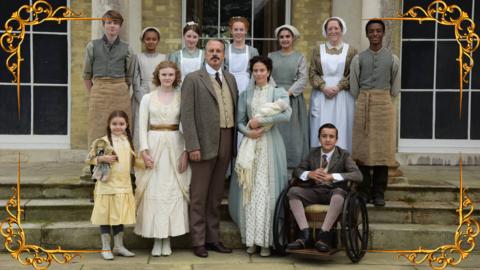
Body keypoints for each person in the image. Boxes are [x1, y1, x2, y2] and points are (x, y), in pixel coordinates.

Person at [180, 39, 238, 258]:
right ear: (205, 54)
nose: (215, 54)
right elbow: (187, 115)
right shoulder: (193, 79)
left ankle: (213, 239)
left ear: (224, 54)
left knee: (215, 195)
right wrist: (192, 145)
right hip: (202, 143)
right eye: (211, 51)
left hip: (226, 138)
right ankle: (198, 241)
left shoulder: (230, 79)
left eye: (219, 51)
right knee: (199, 195)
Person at [230, 55, 292, 257]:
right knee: (251, 189)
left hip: (270, 145)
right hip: (251, 144)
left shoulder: (278, 92)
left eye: (262, 70)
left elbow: (286, 115)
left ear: (269, 72)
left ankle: (267, 240)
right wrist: (249, 131)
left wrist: (262, 120)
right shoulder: (246, 94)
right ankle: (252, 239)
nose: (258, 74)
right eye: (255, 70)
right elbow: (239, 121)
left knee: (267, 190)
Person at [134, 61, 191, 256]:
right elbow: (142, 126)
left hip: (175, 145)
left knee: (171, 191)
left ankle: (167, 239)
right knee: (154, 191)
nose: (167, 78)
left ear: (176, 77)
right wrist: (144, 151)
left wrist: (185, 152)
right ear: (158, 76)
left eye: (171, 75)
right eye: (164, 74)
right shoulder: (147, 99)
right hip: (154, 145)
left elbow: (185, 127)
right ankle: (156, 239)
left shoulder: (181, 97)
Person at [286, 123, 362, 252]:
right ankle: (305, 234)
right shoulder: (313, 153)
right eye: (324, 136)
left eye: (331, 136)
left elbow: (358, 175)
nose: (327, 139)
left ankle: (324, 234)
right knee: (293, 191)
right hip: (314, 191)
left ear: (336, 139)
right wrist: (310, 174)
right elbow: (297, 171)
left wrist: (333, 176)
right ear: (319, 138)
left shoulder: (343, 155)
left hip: (333, 192)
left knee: (338, 194)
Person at [350, 19, 400, 207]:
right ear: (367, 34)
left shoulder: (393, 59)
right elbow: (354, 87)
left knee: (383, 151)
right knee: (363, 149)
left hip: (384, 105)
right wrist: (364, 97)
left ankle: (379, 192)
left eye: (379, 31)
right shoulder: (358, 58)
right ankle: (364, 191)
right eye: (371, 31)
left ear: (383, 33)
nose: (375, 34)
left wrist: (383, 96)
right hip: (364, 103)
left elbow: (395, 87)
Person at [86, 110, 137, 260]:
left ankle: (119, 246)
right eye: (114, 124)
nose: (118, 127)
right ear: (109, 125)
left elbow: (134, 160)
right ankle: (106, 247)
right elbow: (89, 158)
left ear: (126, 125)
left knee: (118, 216)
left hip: (123, 186)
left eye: (121, 124)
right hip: (107, 186)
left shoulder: (128, 141)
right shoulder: (103, 141)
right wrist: (102, 158)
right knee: (105, 216)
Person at [83, 10, 133, 146]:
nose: (112, 26)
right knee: (97, 128)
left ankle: (121, 162)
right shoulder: (92, 46)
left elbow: (129, 76)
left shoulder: (127, 48)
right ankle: (99, 164)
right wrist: (94, 92)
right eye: (109, 23)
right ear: (103, 25)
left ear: (120, 26)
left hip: (120, 92)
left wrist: (121, 89)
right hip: (99, 90)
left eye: (116, 23)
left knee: (121, 126)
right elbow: (87, 75)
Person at [309, 17, 357, 152]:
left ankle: (341, 161)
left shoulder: (351, 51)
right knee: (320, 125)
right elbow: (312, 72)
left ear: (342, 30)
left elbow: (353, 74)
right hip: (322, 95)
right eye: (330, 28)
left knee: (342, 125)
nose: (333, 31)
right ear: (325, 31)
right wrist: (323, 87)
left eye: (336, 28)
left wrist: (339, 86)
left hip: (342, 95)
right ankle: (320, 161)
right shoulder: (317, 50)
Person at [268, 24, 309, 169]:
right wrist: (277, 93)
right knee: (276, 132)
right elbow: (268, 75)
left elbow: (303, 78)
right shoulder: (271, 56)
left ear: (293, 38)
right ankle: (275, 165)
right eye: (281, 37)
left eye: (287, 36)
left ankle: (293, 168)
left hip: (293, 100)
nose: (285, 39)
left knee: (294, 136)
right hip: (274, 99)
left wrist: (287, 94)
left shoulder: (299, 57)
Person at [131, 27, 166, 149]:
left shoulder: (164, 58)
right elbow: (135, 80)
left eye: (154, 39)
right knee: (141, 126)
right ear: (143, 40)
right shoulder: (138, 57)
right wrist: (143, 99)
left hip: (159, 95)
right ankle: (139, 160)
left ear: (158, 41)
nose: (151, 42)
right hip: (141, 96)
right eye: (148, 39)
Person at [224, 16, 259, 94]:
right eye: (235, 29)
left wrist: (251, 89)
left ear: (246, 31)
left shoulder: (253, 51)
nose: (238, 32)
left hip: (247, 88)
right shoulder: (224, 50)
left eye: (241, 30)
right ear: (231, 31)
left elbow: (256, 72)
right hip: (227, 88)